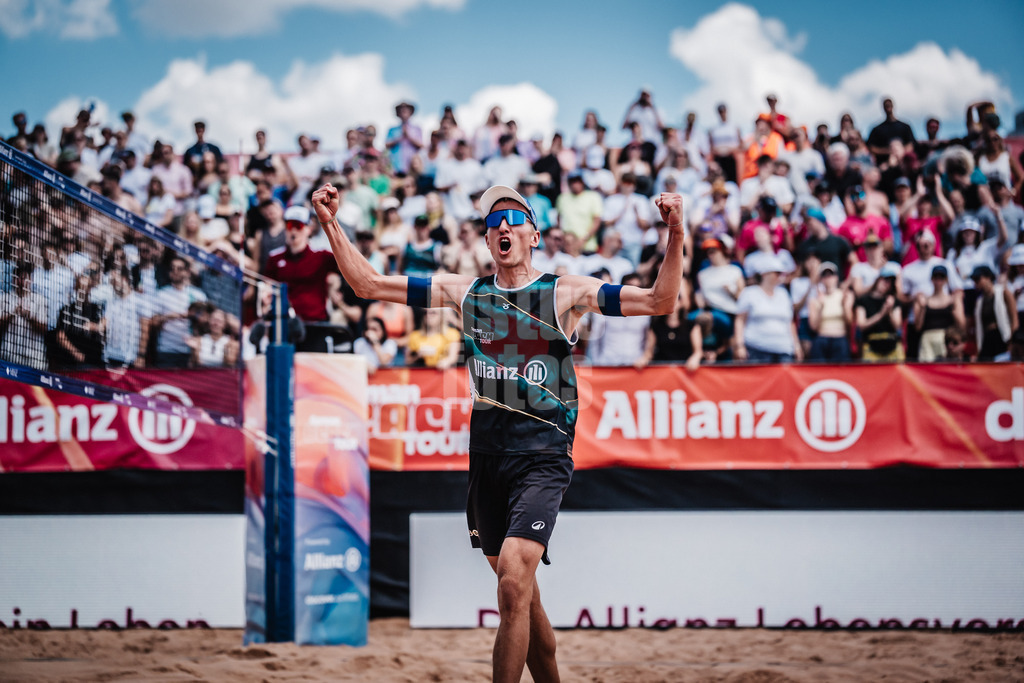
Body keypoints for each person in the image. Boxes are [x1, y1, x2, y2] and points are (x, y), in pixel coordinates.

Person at [311, 179, 685, 683]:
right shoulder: (466, 294)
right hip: (487, 457)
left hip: (543, 456)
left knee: (512, 584)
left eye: (513, 219)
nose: (502, 226)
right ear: (487, 241)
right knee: (523, 599)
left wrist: (676, 232)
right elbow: (368, 285)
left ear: (534, 233)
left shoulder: (563, 291)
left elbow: (661, 300)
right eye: (492, 222)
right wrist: (330, 222)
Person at [733, 255, 802, 363]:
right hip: (756, 348)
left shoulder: (783, 294)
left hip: (783, 349)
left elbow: (790, 323)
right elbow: (740, 320)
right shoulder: (749, 293)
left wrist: (796, 346)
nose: (781, 276)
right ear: (765, 274)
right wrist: (739, 345)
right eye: (777, 273)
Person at [913, 265, 965, 362]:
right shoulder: (924, 300)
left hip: (946, 341)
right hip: (927, 341)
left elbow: (961, 326)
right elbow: (918, 327)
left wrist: (954, 310)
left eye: (941, 278)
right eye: (936, 277)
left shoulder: (952, 300)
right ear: (932, 279)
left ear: (946, 280)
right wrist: (922, 307)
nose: (938, 281)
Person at [855, 264, 904, 361]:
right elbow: (861, 325)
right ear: (877, 279)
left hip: (892, 347)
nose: (887, 283)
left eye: (890, 281)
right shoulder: (863, 300)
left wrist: (889, 312)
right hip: (871, 347)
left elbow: (897, 326)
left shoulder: (894, 300)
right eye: (885, 280)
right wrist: (881, 314)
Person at [972, 265, 1017, 361]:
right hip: (987, 341)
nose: (975, 283)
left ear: (988, 277)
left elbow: (1014, 320)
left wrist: (1012, 343)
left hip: (1002, 339)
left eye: (978, 279)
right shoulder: (979, 301)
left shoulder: (1004, 293)